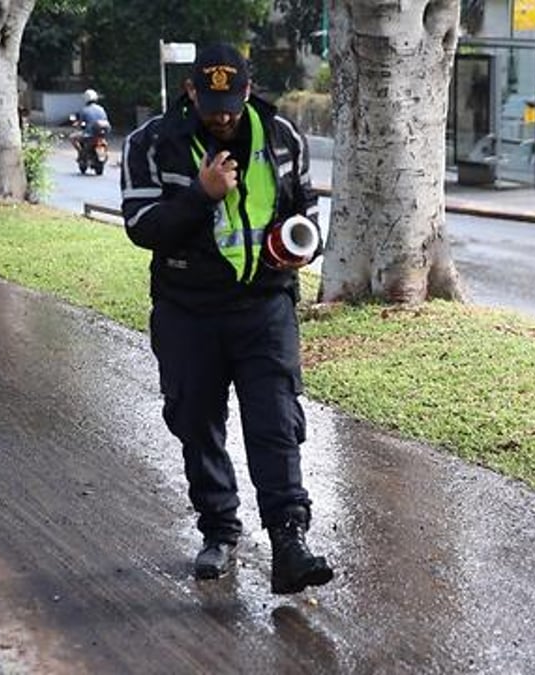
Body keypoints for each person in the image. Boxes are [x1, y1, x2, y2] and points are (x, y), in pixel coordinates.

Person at [119, 43, 333, 594]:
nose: (223, 114)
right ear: (191, 92)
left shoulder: (281, 138)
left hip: (265, 306)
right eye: (212, 101)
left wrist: (301, 242)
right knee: (196, 422)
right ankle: (219, 530)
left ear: (247, 88)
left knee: (276, 420)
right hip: (188, 311)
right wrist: (201, 195)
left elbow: (302, 204)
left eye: (232, 101)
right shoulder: (152, 145)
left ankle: (289, 541)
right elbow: (143, 226)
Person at [69, 88, 110, 153]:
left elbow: (79, 124)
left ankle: (81, 152)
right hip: (102, 134)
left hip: (89, 134)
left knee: (72, 137)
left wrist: (77, 126)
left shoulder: (84, 110)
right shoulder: (101, 109)